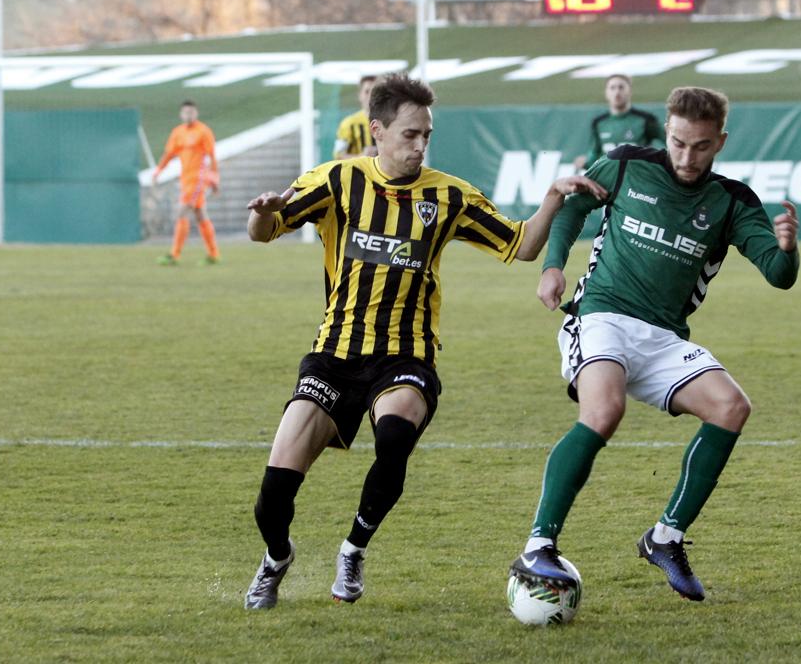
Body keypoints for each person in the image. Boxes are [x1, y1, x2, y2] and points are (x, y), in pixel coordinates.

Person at [242, 73, 607, 610]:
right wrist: (264, 211)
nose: (419, 146)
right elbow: (264, 231)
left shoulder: (450, 195)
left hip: (407, 355)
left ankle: (353, 548)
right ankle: (276, 559)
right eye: (410, 134)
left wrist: (551, 196)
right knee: (271, 500)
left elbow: (521, 245)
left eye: (426, 136)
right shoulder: (337, 181)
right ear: (377, 131)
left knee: (393, 437)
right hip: (334, 355)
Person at [509, 86, 801, 602]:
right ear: (666, 131)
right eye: (679, 143)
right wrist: (554, 265)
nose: (688, 157)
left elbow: (779, 277)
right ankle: (539, 544)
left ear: (721, 142)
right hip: (602, 317)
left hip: (665, 338)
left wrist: (788, 248)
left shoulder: (732, 202)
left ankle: (666, 538)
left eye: (702, 146)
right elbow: (574, 206)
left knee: (731, 407)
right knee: (604, 411)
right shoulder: (624, 164)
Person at [154, 100, 220, 265]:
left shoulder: (203, 131)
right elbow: (168, 154)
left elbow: (212, 157)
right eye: (186, 112)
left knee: (182, 212)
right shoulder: (178, 133)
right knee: (200, 214)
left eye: (191, 112)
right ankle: (213, 254)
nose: (188, 115)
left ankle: (174, 255)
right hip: (185, 178)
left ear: (196, 113)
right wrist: (158, 171)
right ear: (181, 114)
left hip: (198, 179)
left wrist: (214, 178)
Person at [573, 73, 664, 171]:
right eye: (612, 88)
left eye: (621, 87)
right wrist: (585, 162)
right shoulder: (598, 123)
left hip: (638, 178)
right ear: (606, 93)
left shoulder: (645, 119)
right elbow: (595, 154)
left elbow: (668, 141)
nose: (617, 92)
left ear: (629, 91)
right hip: (609, 179)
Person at [334, 75, 378, 160]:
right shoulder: (349, 123)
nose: (371, 96)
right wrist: (361, 156)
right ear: (360, 95)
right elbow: (338, 155)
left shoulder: (388, 121)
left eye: (375, 92)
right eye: (367, 91)